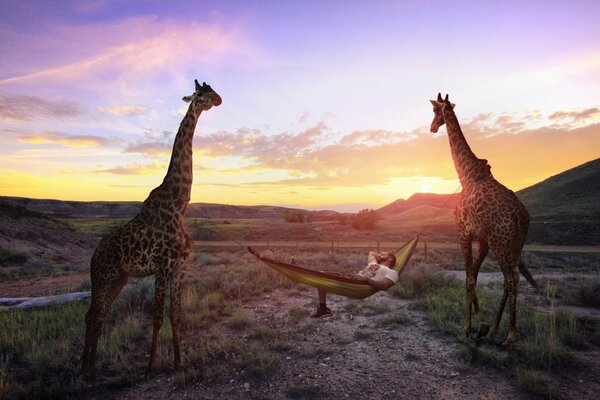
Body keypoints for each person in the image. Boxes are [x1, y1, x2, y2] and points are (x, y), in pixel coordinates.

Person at [312, 250, 398, 318]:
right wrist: (379, 256)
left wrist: (366, 280)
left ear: (390, 259)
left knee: (322, 275)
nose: (379, 255)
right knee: (321, 275)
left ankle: (323, 310)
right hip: (352, 278)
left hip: (360, 284)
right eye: (380, 254)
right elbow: (371, 252)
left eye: (383, 254)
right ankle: (323, 309)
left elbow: (384, 286)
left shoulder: (392, 272)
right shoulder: (373, 263)